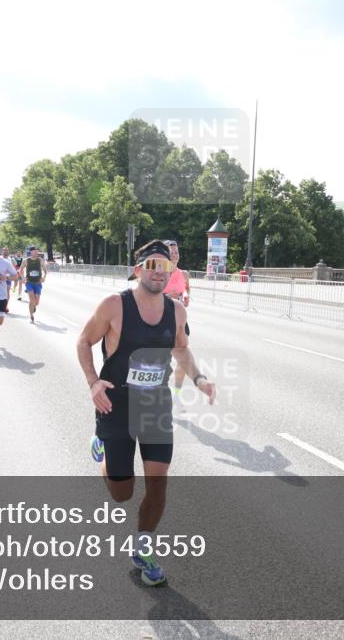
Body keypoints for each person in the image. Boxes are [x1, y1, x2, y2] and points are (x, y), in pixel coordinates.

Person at [76, 240, 216, 587]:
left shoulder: (176, 312)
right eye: (151, 265)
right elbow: (83, 341)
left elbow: (181, 350)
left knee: (159, 482)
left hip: (154, 405)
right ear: (138, 269)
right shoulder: (114, 305)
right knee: (122, 493)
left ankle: (142, 548)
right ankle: (104, 450)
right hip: (116, 405)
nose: (158, 271)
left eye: (164, 266)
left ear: (171, 273)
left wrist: (198, 377)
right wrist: (93, 382)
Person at [161, 240, 191, 400]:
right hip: (160, 320)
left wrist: (186, 298)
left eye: (176, 252)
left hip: (179, 320)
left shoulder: (184, 274)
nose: (174, 255)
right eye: (171, 253)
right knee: (162, 361)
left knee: (183, 360)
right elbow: (145, 296)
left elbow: (186, 290)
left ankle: (177, 394)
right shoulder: (158, 273)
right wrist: (166, 296)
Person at [21, 246, 47, 324]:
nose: (36, 252)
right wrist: (23, 278)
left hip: (38, 283)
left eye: (37, 251)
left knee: (37, 302)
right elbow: (20, 270)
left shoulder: (40, 260)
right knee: (31, 300)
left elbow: (45, 270)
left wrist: (44, 277)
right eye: (35, 251)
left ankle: (34, 306)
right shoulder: (26, 261)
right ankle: (31, 316)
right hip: (29, 282)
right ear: (31, 252)